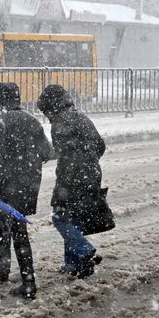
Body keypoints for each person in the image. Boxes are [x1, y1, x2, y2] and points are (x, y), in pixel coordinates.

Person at [0, 82, 53, 299]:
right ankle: (26, 280)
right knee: (17, 230)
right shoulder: (32, 120)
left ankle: (9, 273)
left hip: (6, 187)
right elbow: (46, 152)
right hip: (29, 185)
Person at [36, 84, 106, 278]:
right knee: (74, 219)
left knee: (59, 217)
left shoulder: (60, 122)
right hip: (92, 173)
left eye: (47, 112)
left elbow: (63, 152)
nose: (47, 116)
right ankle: (75, 265)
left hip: (71, 177)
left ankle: (84, 251)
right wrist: (89, 162)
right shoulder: (81, 116)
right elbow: (100, 145)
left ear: (52, 106)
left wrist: (46, 155)